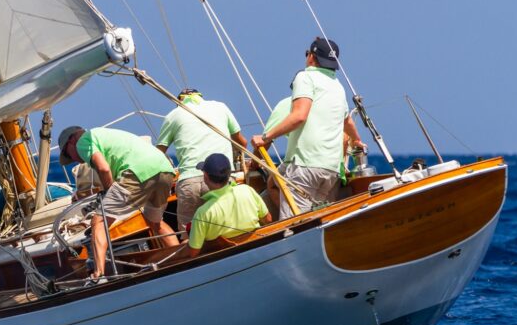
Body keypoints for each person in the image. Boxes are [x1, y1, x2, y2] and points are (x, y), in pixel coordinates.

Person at [251, 37, 366, 219]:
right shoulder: (337, 85)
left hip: (306, 166)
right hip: (331, 169)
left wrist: (265, 138)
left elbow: (299, 116)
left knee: (294, 224)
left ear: (311, 57)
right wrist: (357, 140)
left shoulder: (305, 77)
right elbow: (347, 121)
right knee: (317, 218)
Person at [58, 126, 180, 281]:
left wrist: (108, 191)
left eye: (69, 155)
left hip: (138, 172)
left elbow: (103, 168)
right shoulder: (103, 133)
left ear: (71, 141)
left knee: (99, 221)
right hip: (165, 169)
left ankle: (98, 274)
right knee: (155, 222)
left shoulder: (82, 142)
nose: (74, 160)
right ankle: (180, 256)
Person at [156, 88, 247, 231]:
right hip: (221, 178)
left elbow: (159, 153)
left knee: (189, 234)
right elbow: (242, 143)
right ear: (201, 97)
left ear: (179, 101)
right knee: (229, 228)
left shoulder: (173, 115)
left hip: (190, 181)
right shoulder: (220, 107)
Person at [187, 153, 272, 257]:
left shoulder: (202, 212)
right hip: (256, 250)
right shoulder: (247, 190)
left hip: (225, 257)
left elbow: (193, 252)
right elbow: (268, 219)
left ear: (206, 176)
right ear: (229, 175)